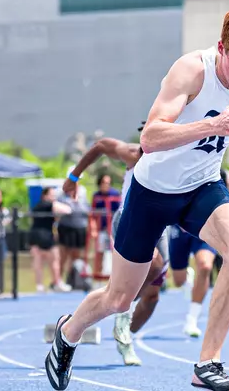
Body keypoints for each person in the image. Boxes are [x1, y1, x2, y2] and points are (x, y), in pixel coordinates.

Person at [49, 2, 229, 391]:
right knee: (119, 300)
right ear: (221, 48)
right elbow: (150, 138)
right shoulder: (192, 70)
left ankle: (207, 364)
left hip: (202, 188)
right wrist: (212, 124)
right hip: (151, 195)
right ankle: (68, 332)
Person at [63, 131, 170, 367]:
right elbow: (100, 145)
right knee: (153, 263)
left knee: (152, 297)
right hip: (130, 219)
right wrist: (74, 176)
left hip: (161, 225)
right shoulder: (134, 154)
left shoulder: (179, 155)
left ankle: (125, 335)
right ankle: (123, 310)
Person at [169, 225, 218, 337]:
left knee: (205, 266)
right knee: (178, 281)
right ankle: (187, 276)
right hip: (180, 227)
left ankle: (192, 319)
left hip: (204, 227)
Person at [29, 187, 72, 293]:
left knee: (40, 260)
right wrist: (56, 204)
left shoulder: (38, 205)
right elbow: (68, 210)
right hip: (43, 235)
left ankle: (41, 285)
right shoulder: (47, 204)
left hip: (36, 234)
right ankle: (56, 283)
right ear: (45, 195)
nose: (53, 197)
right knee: (53, 259)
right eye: (51, 195)